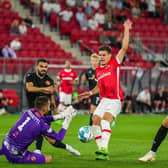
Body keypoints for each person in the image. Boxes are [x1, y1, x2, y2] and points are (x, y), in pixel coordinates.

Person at [79, 19, 132, 160]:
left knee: (105, 121)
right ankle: (101, 152)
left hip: (115, 100)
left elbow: (124, 48)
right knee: (95, 120)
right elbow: (98, 88)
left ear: (109, 56)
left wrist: (126, 29)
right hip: (103, 100)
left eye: (104, 55)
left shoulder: (115, 63)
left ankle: (104, 149)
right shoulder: (98, 71)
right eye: (100, 55)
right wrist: (89, 93)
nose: (101, 57)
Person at [0, 96, 80, 164]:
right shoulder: (41, 125)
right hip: (15, 155)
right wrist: (66, 123)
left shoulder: (29, 111)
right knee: (48, 159)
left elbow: (42, 118)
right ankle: (27, 155)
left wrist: (60, 116)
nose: (50, 106)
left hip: (5, 143)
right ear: (45, 107)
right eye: (49, 104)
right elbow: (59, 138)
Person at [25, 58, 57, 154]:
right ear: (36, 67)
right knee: (34, 130)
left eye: (46, 67)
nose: (44, 69)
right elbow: (29, 88)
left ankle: (67, 147)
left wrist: (55, 108)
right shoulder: (30, 76)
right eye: (42, 66)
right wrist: (45, 89)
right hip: (34, 109)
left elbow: (51, 94)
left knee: (47, 136)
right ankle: (37, 149)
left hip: (46, 110)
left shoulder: (49, 80)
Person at [81, 53, 100, 125]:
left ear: (98, 61)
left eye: (95, 61)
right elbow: (84, 82)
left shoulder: (101, 70)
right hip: (92, 92)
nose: (94, 62)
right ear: (90, 61)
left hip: (99, 93)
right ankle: (94, 125)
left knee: (93, 109)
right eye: (93, 60)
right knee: (94, 109)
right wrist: (83, 81)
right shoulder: (88, 71)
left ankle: (91, 126)